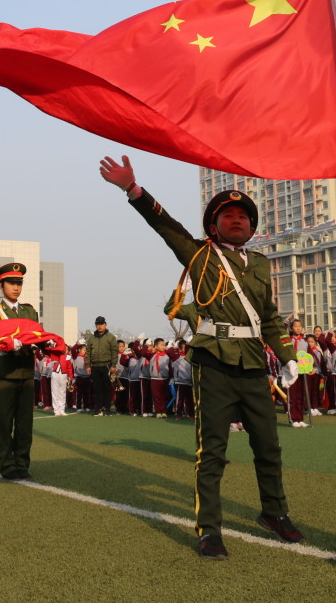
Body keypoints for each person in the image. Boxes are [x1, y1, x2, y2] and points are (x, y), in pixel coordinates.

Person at [100, 155, 304, 560]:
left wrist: (286, 356)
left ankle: (274, 512)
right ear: (213, 225)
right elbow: (166, 226)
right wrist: (133, 190)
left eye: (243, 216)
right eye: (228, 215)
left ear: (251, 225)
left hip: (251, 364)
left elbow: (269, 319)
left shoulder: (260, 264)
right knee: (211, 451)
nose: (237, 220)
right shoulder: (199, 255)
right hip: (212, 363)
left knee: (269, 446)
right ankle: (209, 530)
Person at [0, 262, 38, 480]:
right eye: (11, 283)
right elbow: (0, 340)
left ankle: (22, 463)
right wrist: (20, 341)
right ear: (2, 285)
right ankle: (7, 465)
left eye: (19, 283)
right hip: (6, 373)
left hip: (26, 372)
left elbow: (36, 335)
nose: (16, 288)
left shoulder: (29, 310)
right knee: (4, 423)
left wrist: (29, 341)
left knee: (25, 424)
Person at [87, 317, 117, 416]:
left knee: (107, 388)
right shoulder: (91, 338)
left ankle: (107, 409)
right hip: (95, 366)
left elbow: (114, 352)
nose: (99, 326)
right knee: (97, 389)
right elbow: (88, 352)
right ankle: (98, 409)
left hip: (107, 365)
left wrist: (113, 365)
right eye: (97, 324)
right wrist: (88, 365)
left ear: (105, 324)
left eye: (101, 324)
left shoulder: (111, 337)